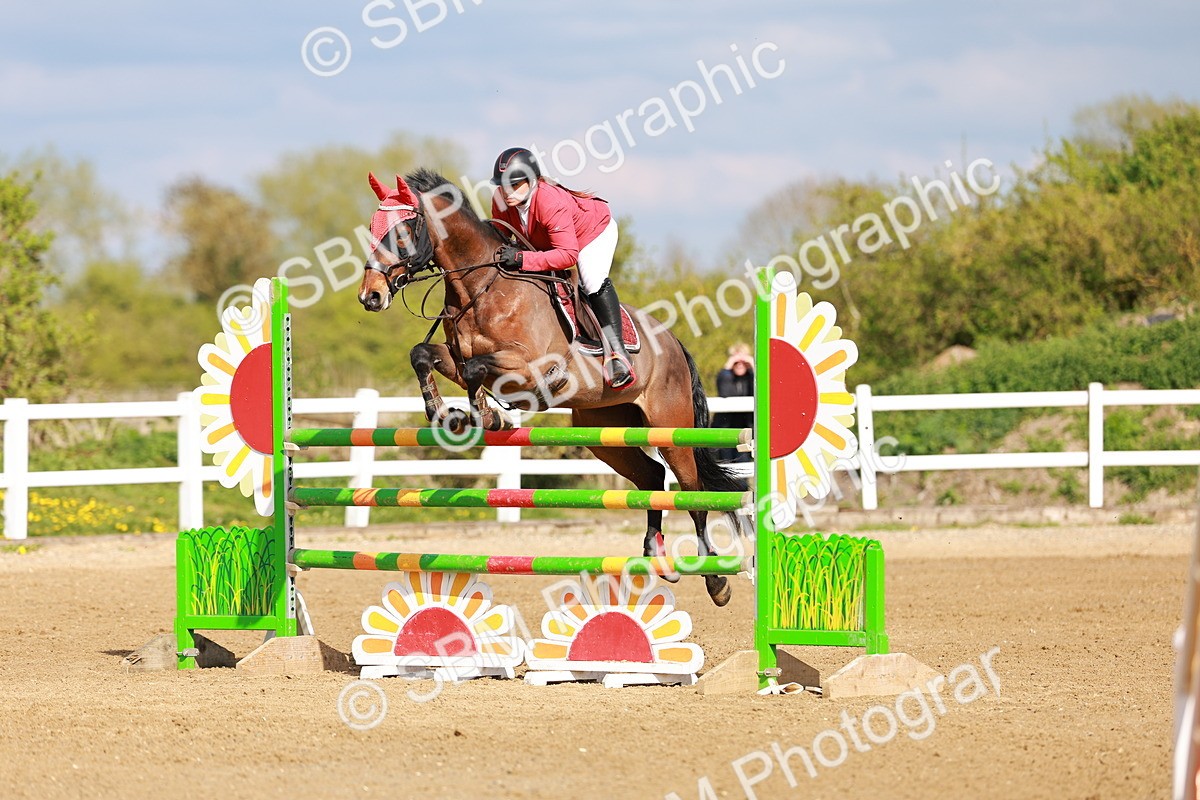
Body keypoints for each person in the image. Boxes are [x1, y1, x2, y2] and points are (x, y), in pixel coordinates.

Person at [490, 146, 636, 390]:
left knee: (590, 280)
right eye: (503, 185)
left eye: (514, 185)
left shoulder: (549, 201)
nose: (507, 192)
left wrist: (523, 259)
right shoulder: (500, 201)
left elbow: (568, 256)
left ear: (532, 180)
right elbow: (502, 239)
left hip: (592, 233)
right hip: (549, 242)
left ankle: (618, 353)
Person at [714, 344, 754, 463]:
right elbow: (724, 392)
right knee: (725, 464)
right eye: (736, 362)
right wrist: (727, 367)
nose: (740, 365)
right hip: (725, 427)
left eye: (743, 362)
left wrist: (752, 365)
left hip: (746, 428)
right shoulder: (726, 377)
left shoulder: (751, 378)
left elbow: (761, 388)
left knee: (743, 464)